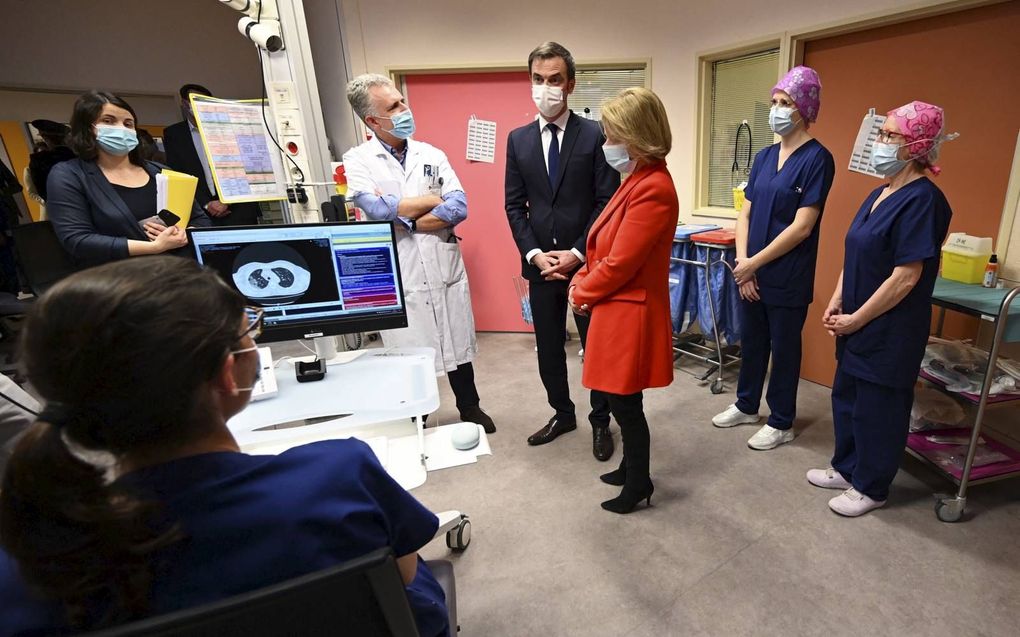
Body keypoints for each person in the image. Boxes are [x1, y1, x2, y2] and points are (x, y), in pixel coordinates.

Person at [0, 257, 451, 636]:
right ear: (226, 373)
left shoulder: (31, 563)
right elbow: (414, 599)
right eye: (249, 329)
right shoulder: (340, 477)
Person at [810, 101, 954, 517]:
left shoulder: (924, 201)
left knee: (880, 407)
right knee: (848, 396)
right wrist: (839, 297)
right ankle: (846, 466)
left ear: (917, 145)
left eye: (890, 135)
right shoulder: (879, 193)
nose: (879, 141)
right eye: (881, 132)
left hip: (890, 328)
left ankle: (872, 486)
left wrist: (858, 318)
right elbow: (855, 252)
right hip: (856, 320)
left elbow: (905, 277)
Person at [342, 73, 495, 434]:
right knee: (410, 350)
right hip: (401, 270)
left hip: (442, 265)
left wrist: (406, 219)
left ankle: (470, 407)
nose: (404, 108)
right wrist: (431, 201)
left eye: (402, 101)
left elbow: (459, 207)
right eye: (393, 106)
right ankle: (416, 415)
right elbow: (376, 210)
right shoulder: (359, 159)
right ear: (372, 121)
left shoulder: (432, 154)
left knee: (456, 341)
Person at [505, 42, 620, 460]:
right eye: (538, 79)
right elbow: (514, 205)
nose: (546, 88)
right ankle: (562, 413)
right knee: (549, 347)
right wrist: (536, 255)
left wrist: (577, 252)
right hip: (540, 265)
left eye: (554, 80)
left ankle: (600, 420)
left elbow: (605, 202)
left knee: (596, 347)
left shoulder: (595, 135)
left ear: (570, 84)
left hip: (587, 264)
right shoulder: (517, 141)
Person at [713, 66, 836, 451]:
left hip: (788, 274)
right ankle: (747, 405)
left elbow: (802, 227)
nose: (777, 110)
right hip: (751, 269)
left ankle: (782, 420)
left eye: (785, 103)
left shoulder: (818, 159)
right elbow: (745, 213)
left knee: (783, 349)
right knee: (752, 342)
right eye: (774, 102)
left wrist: (754, 264)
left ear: (805, 110)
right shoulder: (765, 156)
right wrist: (742, 262)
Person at [568, 87, 678, 514]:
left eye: (613, 136)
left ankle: (639, 485)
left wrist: (581, 289)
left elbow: (621, 263)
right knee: (619, 399)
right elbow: (601, 249)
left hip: (628, 311)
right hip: (616, 307)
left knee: (625, 405)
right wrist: (584, 278)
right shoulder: (635, 179)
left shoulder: (654, 188)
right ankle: (632, 470)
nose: (606, 144)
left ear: (636, 137)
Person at [46, 91, 210, 267]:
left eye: (128, 123)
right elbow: (77, 240)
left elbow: (201, 219)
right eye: (108, 121)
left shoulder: (161, 172)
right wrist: (153, 247)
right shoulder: (69, 175)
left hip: (181, 271)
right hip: (123, 279)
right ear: (86, 128)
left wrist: (187, 233)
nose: (121, 129)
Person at [164, 84, 262, 226]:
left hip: (239, 208)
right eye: (195, 100)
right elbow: (178, 173)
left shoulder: (231, 128)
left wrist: (226, 201)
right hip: (202, 213)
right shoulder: (174, 134)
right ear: (184, 103)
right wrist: (205, 204)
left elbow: (249, 167)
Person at [25, 119, 75, 220]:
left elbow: (41, 189)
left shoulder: (39, 160)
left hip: (58, 211)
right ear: (65, 138)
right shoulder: (78, 156)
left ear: (45, 138)